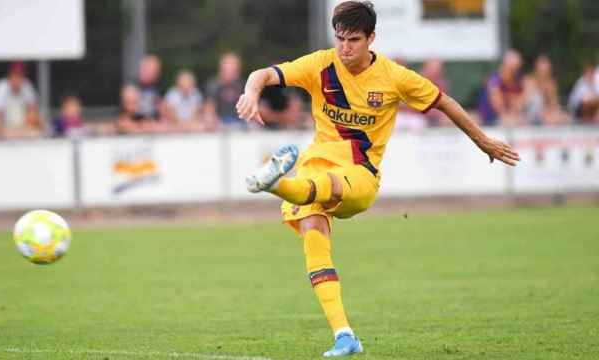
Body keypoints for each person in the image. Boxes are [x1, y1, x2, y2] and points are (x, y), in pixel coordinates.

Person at [236, 1, 520, 357]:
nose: (344, 47)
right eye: (340, 38)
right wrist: (251, 92)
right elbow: (262, 74)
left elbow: (444, 102)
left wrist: (483, 141)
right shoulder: (321, 64)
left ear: (372, 38)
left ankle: (275, 182)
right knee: (313, 235)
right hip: (315, 163)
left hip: (360, 175)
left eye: (353, 39)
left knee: (323, 189)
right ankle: (344, 335)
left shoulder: (394, 77)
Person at [0, 61, 44, 138]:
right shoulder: (1, 87)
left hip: (20, 132)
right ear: (10, 75)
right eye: (16, 75)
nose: (18, 79)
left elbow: (34, 114)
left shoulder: (26, 85)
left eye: (21, 75)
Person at [478, 50, 525, 127]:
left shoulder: (516, 81)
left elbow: (518, 104)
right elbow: (497, 105)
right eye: (514, 68)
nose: (516, 71)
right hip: (490, 119)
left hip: (506, 118)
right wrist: (507, 116)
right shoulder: (494, 79)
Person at [522, 55, 569, 126]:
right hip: (530, 114)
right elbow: (526, 103)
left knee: (565, 117)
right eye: (542, 70)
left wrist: (554, 111)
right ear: (536, 68)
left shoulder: (551, 83)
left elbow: (554, 104)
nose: (544, 73)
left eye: (546, 70)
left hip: (545, 113)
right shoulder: (529, 81)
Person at [205, 52, 246, 129]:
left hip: (241, 123)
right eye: (227, 68)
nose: (230, 71)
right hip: (219, 123)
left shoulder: (243, 85)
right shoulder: (213, 85)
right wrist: (211, 119)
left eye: (233, 69)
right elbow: (209, 107)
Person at [132, 54, 166, 120]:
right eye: (146, 69)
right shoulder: (131, 87)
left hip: (154, 126)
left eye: (154, 71)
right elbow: (122, 117)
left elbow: (164, 114)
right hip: (135, 126)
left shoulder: (160, 87)